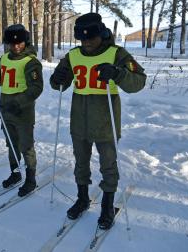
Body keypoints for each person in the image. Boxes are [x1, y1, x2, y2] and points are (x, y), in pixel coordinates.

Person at [49, 13, 146, 230]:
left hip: (105, 121)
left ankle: (107, 205)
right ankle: (82, 198)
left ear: (101, 34)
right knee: (80, 163)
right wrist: (57, 80)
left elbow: (138, 81)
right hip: (79, 121)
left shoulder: (116, 53)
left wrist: (118, 74)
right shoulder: (73, 55)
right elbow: (58, 82)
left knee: (108, 165)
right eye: (82, 39)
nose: (87, 43)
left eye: (91, 38)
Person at [0, 24, 43, 197]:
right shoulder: (4, 59)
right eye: (12, 43)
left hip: (22, 111)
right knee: (11, 144)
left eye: (20, 43)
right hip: (5, 110)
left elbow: (36, 88)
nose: (16, 46)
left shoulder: (30, 61)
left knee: (26, 146)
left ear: (26, 41)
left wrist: (18, 102)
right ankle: (15, 173)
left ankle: (31, 179)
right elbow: (1, 80)